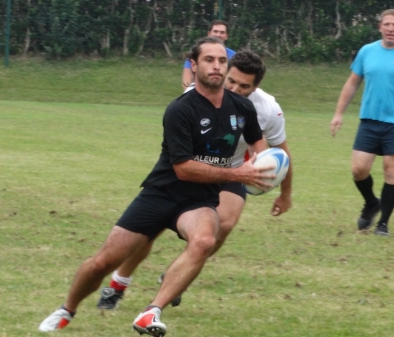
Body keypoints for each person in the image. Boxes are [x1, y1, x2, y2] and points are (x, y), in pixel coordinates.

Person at [38, 36, 273, 336]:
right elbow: (184, 168)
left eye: (222, 61)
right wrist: (238, 174)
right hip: (160, 194)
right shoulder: (181, 109)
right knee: (103, 262)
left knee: (203, 241)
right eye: (209, 60)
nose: (216, 66)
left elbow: (258, 143)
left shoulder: (242, 108)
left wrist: (266, 167)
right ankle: (67, 309)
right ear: (194, 64)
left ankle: (151, 312)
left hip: (199, 200)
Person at [96, 50, 293, 310]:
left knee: (223, 224)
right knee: (149, 230)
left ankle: (176, 278)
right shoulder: (197, 97)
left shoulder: (268, 110)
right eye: (231, 81)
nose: (234, 88)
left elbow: (280, 153)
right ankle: (118, 284)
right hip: (191, 167)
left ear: (256, 88)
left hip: (234, 169)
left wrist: (284, 193)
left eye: (244, 86)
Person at [330, 9, 394, 236]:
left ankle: (383, 224)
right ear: (380, 27)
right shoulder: (367, 51)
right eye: (387, 24)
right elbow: (352, 83)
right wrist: (338, 113)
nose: (390, 28)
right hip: (369, 120)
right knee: (358, 169)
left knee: (391, 171)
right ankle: (371, 203)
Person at [181, 20, 236, 91]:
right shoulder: (197, 53)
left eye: (222, 32)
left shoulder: (234, 56)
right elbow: (186, 81)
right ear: (209, 33)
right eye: (215, 31)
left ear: (226, 36)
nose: (218, 35)